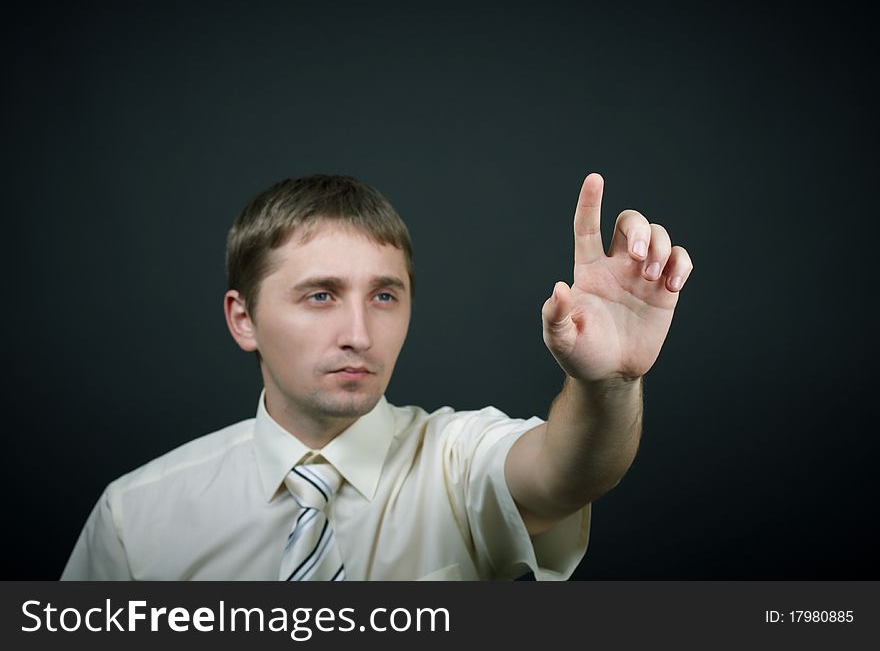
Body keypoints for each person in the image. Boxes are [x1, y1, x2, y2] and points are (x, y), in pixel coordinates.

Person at [61, 172, 693, 581]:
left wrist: (609, 382)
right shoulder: (134, 520)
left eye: (385, 296)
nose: (359, 334)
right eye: (320, 296)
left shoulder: (455, 460)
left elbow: (566, 471)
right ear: (243, 318)